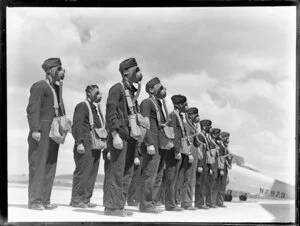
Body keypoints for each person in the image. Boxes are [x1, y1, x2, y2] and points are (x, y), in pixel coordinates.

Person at [103, 58, 143, 217]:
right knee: (117, 172)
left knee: (127, 173)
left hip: (131, 137)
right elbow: (110, 112)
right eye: (136, 69)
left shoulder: (132, 92)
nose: (139, 73)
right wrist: (114, 135)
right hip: (120, 136)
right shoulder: (117, 89)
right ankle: (112, 207)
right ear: (126, 72)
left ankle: (119, 205)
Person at [26, 58, 66, 210]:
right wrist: (35, 129)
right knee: (39, 164)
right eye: (59, 68)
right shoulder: (39, 86)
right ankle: (35, 201)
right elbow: (32, 109)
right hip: (41, 129)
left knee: (50, 164)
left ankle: (44, 200)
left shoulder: (55, 88)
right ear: (49, 70)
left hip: (53, 130)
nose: (61, 71)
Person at [70, 85, 104, 208]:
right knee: (82, 171)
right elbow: (77, 125)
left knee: (92, 173)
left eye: (100, 93)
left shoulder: (94, 109)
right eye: (97, 92)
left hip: (94, 145)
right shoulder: (82, 106)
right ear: (89, 93)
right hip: (84, 144)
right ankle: (76, 200)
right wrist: (79, 142)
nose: (100, 95)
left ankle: (85, 199)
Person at [138, 77, 168, 213]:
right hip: (152, 144)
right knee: (149, 174)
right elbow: (144, 124)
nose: (163, 90)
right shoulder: (146, 103)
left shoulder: (158, 104)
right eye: (160, 88)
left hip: (160, 144)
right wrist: (149, 143)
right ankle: (145, 204)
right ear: (151, 90)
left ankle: (152, 202)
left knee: (158, 175)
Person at [164, 94, 189, 212]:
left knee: (175, 178)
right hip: (174, 151)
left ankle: (173, 202)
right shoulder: (173, 116)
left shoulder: (179, 116)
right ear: (178, 105)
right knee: (171, 178)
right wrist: (176, 151)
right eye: (184, 104)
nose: (186, 106)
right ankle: (169, 204)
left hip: (178, 151)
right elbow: (172, 134)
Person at [175, 107, 201, 211]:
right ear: (190, 116)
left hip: (193, 156)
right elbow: (186, 141)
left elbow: (197, 142)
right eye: (196, 115)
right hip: (188, 155)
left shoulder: (194, 127)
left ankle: (186, 201)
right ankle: (183, 201)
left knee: (191, 178)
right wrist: (189, 153)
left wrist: (198, 130)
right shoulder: (186, 125)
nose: (198, 117)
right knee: (185, 178)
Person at [194, 119, 212, 209]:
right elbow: (199, 151)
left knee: (204, 183)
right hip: (202, 163)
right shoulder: (200, 136)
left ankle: (202, 202)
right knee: (200, 183)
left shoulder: (205, 137)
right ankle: (199, 203)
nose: (210, 128)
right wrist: (200, 165)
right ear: (204, 127)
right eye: (209, 126)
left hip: (206, 163)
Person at [206, 127, 221, 208]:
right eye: (216, 134)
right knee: (210, 185)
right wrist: (211, 168)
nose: (217, 136)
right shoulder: (210, 143)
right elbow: (210, 156)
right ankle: (209, 202)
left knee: (214, 185)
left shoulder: (216, 144)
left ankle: (212, 202)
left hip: (216, 166)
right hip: (212, 166)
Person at [216, 131, 231, 207]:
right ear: (223, 138)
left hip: (225, 168)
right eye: (227, 138)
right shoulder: (220, 147)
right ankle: (216, 202)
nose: (228, 140)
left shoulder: (225, 148)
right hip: (220, 168)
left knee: (222, 186)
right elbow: (220, 159)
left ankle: (220, 202)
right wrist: (221, 169)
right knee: (218, 185)